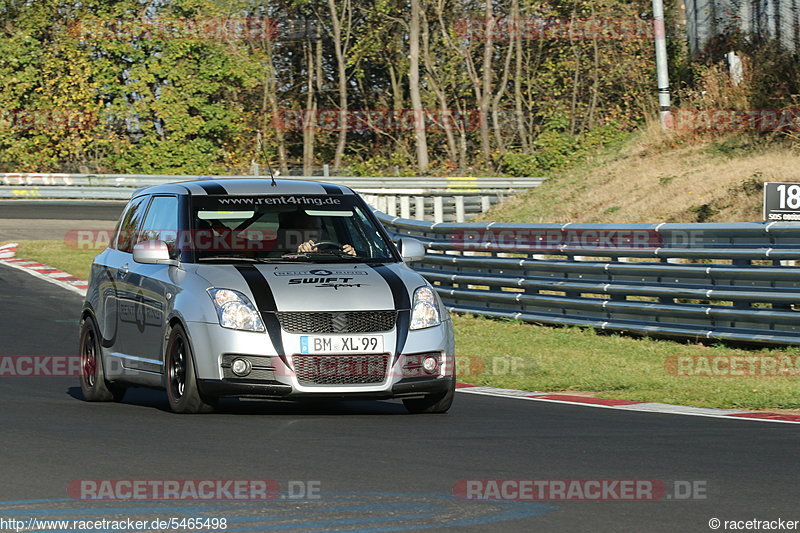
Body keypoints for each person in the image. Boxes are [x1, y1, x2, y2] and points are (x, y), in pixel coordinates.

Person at [278, 210, 356, 256]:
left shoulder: (334, 252)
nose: (312, 233)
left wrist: (350, 255)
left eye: (316, 229)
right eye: (305, 229)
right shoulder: (279, 255)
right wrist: (298, 255)